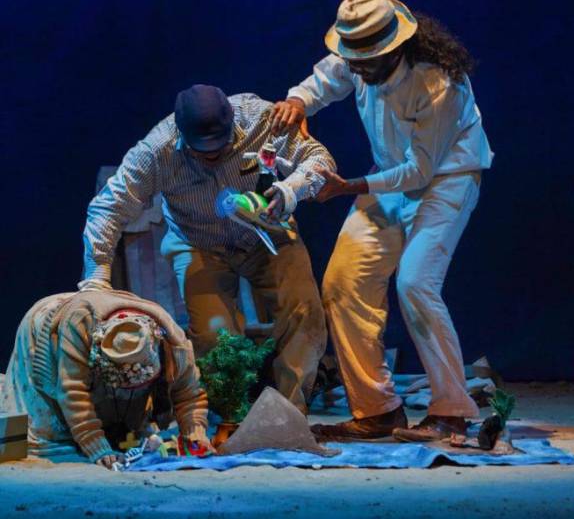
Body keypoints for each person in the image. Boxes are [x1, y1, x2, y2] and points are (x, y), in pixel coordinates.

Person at [270, 0, 494, 440]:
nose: (354, 67)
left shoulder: (437, 84)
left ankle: (452, 411)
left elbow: (420, 170)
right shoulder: (356, 59)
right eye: (351, 56)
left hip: (446, 179)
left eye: (364, 59)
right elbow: (323, 81)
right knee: (343, 283)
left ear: (393, 48)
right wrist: (297, 101)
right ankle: (377, 409)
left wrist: (350, 187)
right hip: (388, 176)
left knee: (416, 282)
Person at [81, 85, 335, 414]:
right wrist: (97, 278)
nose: (213, 157)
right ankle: (234, 416)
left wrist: (292, 188)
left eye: (221, 147)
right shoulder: (156, 151)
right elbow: (108, 208)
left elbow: (319, 158)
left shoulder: (261, 119)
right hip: (198, 242)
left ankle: (289, 412)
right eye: (203, 152)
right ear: (183, 137)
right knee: (216, 336)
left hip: (266, 231)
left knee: (304, 312)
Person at [2, 289, 211, 469]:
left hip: (97, 315)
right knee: (52, 434)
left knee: (124, 426)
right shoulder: (78, 326)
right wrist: (98, 449)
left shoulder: (174, 342)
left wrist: (195, 434)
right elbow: (73, 391)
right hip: (48, 324)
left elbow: (189, 394)